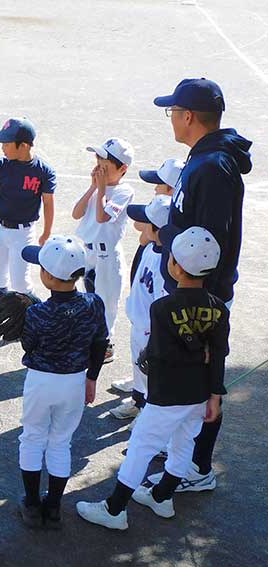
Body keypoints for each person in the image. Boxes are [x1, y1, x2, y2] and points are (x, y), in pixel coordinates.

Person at [76, 227, 228, 530]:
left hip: (166, 394)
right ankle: (162, 496)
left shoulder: (162, 308)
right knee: (183, 444)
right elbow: (219, 354)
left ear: (175, 265)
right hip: (199, 394)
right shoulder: (219, 309)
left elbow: (157, 357)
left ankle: (114, 509)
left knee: (142, 446)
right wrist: (215, 394)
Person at [149, 78, 251, 492]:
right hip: (188, 287)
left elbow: (207, 242)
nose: (170, 117)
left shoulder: (211, 168)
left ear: (189, 116)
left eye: (173, 111)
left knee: (200, 374)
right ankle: (181, 450)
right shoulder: (203, 159)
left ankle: (197, 468)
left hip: (200, 293)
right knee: (185, 372)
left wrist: (167, 239)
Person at [14, 235, 109, 529]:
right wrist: (92, 378)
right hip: (74, 382)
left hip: (41, 381)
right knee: (60, 443)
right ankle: (53, 507)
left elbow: (28, 346)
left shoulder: (37, 312)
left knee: (32, 438)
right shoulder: (94, 304)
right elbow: (100, 343)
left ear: (47, 276)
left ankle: (31, 504)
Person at [110, 160, 183, 418]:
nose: (154, 189)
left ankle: (146, 411)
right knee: (140, 366)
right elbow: (142, 232)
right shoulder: (153, 245)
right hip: (139, 320)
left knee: (152, 371)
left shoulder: (168, 261)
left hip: (152, 327)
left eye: (159, 185)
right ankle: (138, 400)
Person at [0, 118, 56, 339]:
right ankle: (1, 323)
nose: (2, 148)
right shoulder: (0, 166)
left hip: (24, 232)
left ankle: (36, 318)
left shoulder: (43, 171)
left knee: (21, 282)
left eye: (6, 143)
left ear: (23, 146)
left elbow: (49, 203)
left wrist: (47, 232)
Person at [72, 138, 135, 362]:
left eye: (105, 162)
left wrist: (100, 190)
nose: (99, 164)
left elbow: (102, 217)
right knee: (90, 298)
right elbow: (76, 213)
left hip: (107, 255)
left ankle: (106, 345)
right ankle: (93, 340)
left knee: (107, 302)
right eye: (98, 158)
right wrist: (92, 187)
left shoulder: (123, 191)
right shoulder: (98, 188)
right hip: (89, 252)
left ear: (122, 168)